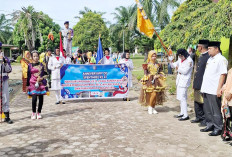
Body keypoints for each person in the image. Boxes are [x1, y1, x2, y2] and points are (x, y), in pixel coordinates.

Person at [200, 41, 228, 136]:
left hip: (214, 89)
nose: (208, 51)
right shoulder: (210, 59)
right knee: (207, 109)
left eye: (210, 49)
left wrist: (219, 88)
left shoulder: (221, 59)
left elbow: (223, 74)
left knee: (215, 110)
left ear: (216, 49)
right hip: (206, 88)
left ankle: (218, 127)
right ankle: (210, 125)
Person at [139, 50, 166, 114]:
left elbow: (161, 73)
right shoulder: (147, 65)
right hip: (150, 81)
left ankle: (153, 107)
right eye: (152, 56)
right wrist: (150, 76)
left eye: (155, 56)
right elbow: (145, 74)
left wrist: (158, 75)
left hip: (157, 81)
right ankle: (150, 107)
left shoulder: (158, 65)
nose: (154, 57)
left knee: (156, 94)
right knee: (152, 94)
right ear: (149, 56)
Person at [170, 49, 193, 121]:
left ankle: (186, 115)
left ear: (185, 55)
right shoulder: (180, 59)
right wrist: (170, 60)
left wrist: (177, 68)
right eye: (179, 56)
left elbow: (185, 71)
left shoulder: (189, 61)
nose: (180, 57)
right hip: (179, 80)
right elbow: (173, 66)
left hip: (185, 81)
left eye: (181, 56)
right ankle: (182, 112)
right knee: (180, 97)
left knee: (183, 98)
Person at [191, 40, 210, 125]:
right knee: (197, 100)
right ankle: (198, 116)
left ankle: (204, 119)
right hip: (198, 82)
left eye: (198, 46)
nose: (197, 47)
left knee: (203, 102)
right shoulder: (202, 56)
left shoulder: (207, 56)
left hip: (203, 83)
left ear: (200, 47)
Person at [27, 50, 49, 120]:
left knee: (41, 98)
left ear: (38, 56)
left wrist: (41, 78)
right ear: (32, 57)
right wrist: (27, 86)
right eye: (34, 56)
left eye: (37, 56)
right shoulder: (29, 65)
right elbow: (28, 76)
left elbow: (47, 74)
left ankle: (39, 112)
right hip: (33, 83)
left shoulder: (42, 65)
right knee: (34, 98)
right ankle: (33, 112)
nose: (35, 57)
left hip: (41, 83)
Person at [0, 42, 13, 124]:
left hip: (3, 80)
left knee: (5, 97)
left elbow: (9, 70)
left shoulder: (5, 58)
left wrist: (4, 62)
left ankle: (7, 116)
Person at [221, 68, 232, 140]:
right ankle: (227, 133)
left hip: (230, 96)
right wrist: (223, 88)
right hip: (227, 97)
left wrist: (231, 92)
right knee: (227, 116)